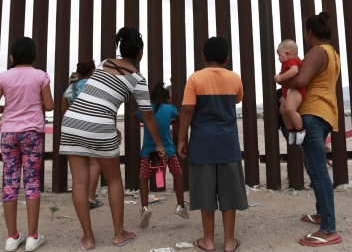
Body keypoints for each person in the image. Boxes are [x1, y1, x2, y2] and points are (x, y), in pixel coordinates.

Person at [59, 27, 168, 251]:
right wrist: (159, 144)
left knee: (79, 182)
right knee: (114, 180)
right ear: (140, 53)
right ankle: (119, 234)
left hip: (71, 121)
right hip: (100, 125)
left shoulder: (104, 63)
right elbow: (147, 115)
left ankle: (88, 239)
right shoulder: (138, 79)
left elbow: (99, 96)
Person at [178, 37, 247, 252]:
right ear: (227, 59)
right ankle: (228, 242)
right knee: (229, 193)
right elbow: (237, 100)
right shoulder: (235, 78)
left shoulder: (195, 79)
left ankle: (208, 241)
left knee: (206, 193)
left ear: (203, 57)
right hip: (228, 144)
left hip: (202, 144)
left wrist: (181, 138)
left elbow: (188, 110)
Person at [281, 12, 342, 247]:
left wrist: (279, 80)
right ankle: (321, 215)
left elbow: (300, 81)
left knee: (317, 171)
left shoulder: (317, 52)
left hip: (313, 113)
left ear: (309, 33)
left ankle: (329, 229)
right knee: (313, 167)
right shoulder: (332, 53)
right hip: (324, 112)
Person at [0, 37, 54, 252]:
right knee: (32, 183)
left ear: (12, 56)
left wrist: (9, 107)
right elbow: (49, 106)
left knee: (10, 183)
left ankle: (12, 237)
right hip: (32, 133)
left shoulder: (4, 76)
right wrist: (35, 102)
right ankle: (32, 237)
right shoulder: (40, 75)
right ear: (33, 55)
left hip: (9, 133)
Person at [136, 82, 188, 229]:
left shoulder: (145, 110)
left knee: (144, 177)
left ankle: (145, 208)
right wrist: (170, 120)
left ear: (151, 99)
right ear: (168, 98)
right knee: (177, 174)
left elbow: (135, 116)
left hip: (149, 151)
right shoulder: (170, 109)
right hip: (168, 151)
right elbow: (181, 117)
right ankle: (181, 206)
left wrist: (147, 121)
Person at [62, 59, 103, 209]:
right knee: (95, 162)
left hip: (73, 128)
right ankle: (90, 196)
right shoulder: (97, 87)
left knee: (79, 167)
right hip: (93, 127)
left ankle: (81, 197)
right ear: (93, 71)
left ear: (79, 73)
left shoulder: (70, 88)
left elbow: (63, 110)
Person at [274, 39, 307, 145]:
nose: (278, 58)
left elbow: (294, 71)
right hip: (288, 91)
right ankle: (291, 131)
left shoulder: (292, 62)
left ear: (288, 54)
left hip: (295, 91)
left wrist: (280, 77)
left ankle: (300, 129)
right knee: (282, 110)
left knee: (289, 109)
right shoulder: (287, 63)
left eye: (279, 55)